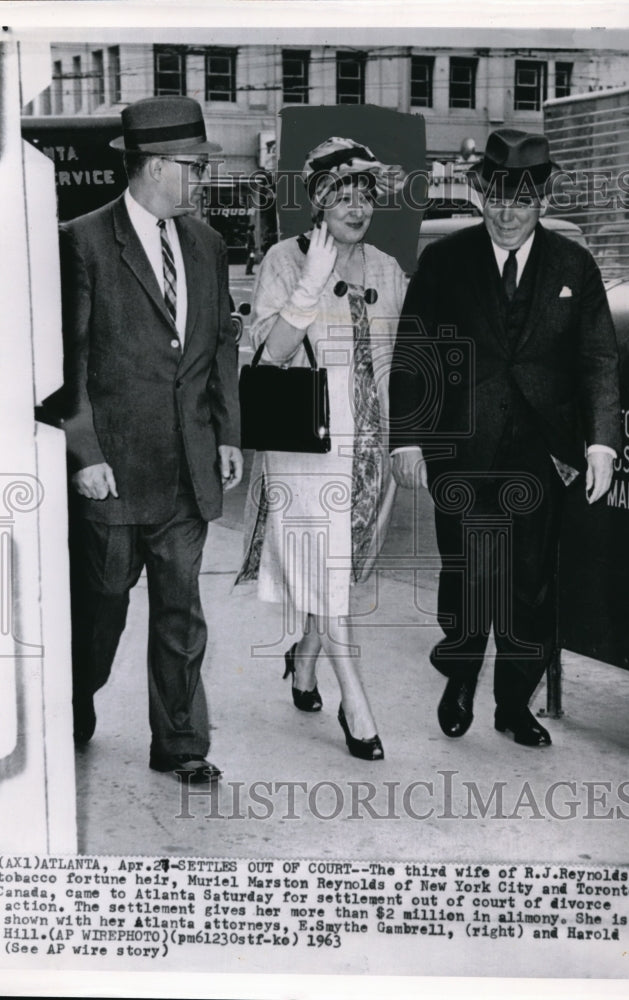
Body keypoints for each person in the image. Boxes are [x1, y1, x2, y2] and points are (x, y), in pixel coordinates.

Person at [389, 128, 620, 748]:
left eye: (521, 199)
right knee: (467, 572)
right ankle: (459, 675)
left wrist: (601, 441)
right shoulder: (444, 261)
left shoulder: (574, 265)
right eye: (495, 197)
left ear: (542, 198)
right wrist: (407, 439)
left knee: (531, 582)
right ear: (479, 193)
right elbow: (414, 354)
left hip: (543, 455)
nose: (507, 212)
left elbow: (598, 357)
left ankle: (515, 704)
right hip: (460, 449)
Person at [54, 96, 243, 783]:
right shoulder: (82, 240)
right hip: (114, 471)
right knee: (100, 612)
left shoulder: (207, 244)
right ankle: (74, 699)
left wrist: (226, 432)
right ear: (156, 166)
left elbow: (217, 343)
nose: (199, 180)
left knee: (180, 614)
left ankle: (182, 743)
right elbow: (66, 362)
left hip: (186, 469)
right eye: (192, 167)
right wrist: (86, 453)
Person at [236, 137, 407, 761]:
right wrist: (310, 285)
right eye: (342, 194)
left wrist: (402, 441)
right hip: (308, 451)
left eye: (366, 193)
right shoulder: (286, 259)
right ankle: (354, 705)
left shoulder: (388, 269)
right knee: (328, 568)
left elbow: (399, 365)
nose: (357, 206)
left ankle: (304, 660)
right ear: (318, 203)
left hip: (370, 448)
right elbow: (269, 356)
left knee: (345, 567)